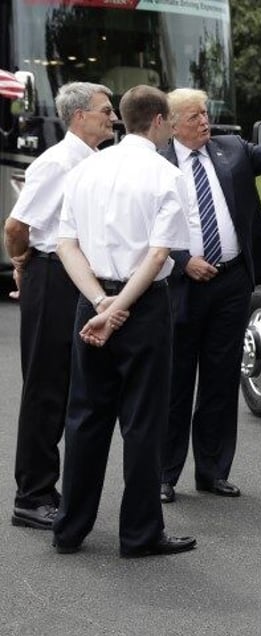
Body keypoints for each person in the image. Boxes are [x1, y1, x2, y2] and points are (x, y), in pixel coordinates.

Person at [52, 84, 196, 558]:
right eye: (170, 123)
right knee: (143, 423)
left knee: (85, 417)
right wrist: (119, 308)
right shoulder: (165, 174)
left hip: (91, 301)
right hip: (143, 307)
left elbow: (66, 245)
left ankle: (69, 529)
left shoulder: (86, 169)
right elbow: (158, 256)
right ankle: (138, 534)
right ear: (157, 122)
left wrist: (99, 303)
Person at [159, 89, 261, 503]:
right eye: (194, 117)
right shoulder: (157, 163)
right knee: (176, 382)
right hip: (181, 284)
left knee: (220, 379)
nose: (204, 122)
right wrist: (181, 261)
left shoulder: (230, 148)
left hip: (231, 281)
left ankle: (213, 471)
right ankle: (163, 474)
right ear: (172, 124)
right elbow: (144, 225)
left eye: (205, 114)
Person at [4, 82, 118, 531]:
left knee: (72, 386)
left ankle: (50, 489)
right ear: (79, 117)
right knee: (46, 388)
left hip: (75, 276)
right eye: (105, 111)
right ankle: (31, 496)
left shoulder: (91, 160)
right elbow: (17, 225)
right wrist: (20, 263)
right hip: (51, 275)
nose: (112, 118)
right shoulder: (56, 162)